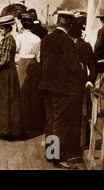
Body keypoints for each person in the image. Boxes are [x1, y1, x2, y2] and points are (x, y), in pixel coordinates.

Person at [39, 10, 83, 169]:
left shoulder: (46, 39)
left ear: (58, 22)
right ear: (69, 25)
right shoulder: (67, 42)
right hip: (60, 89)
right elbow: (73, 67)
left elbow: (42, 62)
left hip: (46, 86)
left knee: (50, 120)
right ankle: (58, 157)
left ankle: (51, 153)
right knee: (60, 122)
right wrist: (82, 67)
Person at [0, 15, 24, 140]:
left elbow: (4, 59)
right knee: (5, 101)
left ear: (8, 28)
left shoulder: (8, 40)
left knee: (6, 101)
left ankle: (8, 130)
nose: (0, 30)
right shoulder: (6, 40)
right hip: (5, 73)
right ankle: (5, 129)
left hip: (7, 74)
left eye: (2, 28)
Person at [68, 13, 97, 160]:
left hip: (76, 87)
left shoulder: (82, 47)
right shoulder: (75, 45)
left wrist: (89, 81)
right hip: (69, 87)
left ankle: (67, 150)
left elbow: (93, 66)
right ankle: (68, 150)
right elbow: (93, 66)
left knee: (77, 117)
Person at [15, 13, 46, 138]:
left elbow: (16, 51)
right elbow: (39, 56)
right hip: (33, 64)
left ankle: (21, 123)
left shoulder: (20, 37)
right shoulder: (37, 39)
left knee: (21, 91)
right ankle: (33, 123)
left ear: (22, 25)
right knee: (33, 94)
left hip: (23, 63)